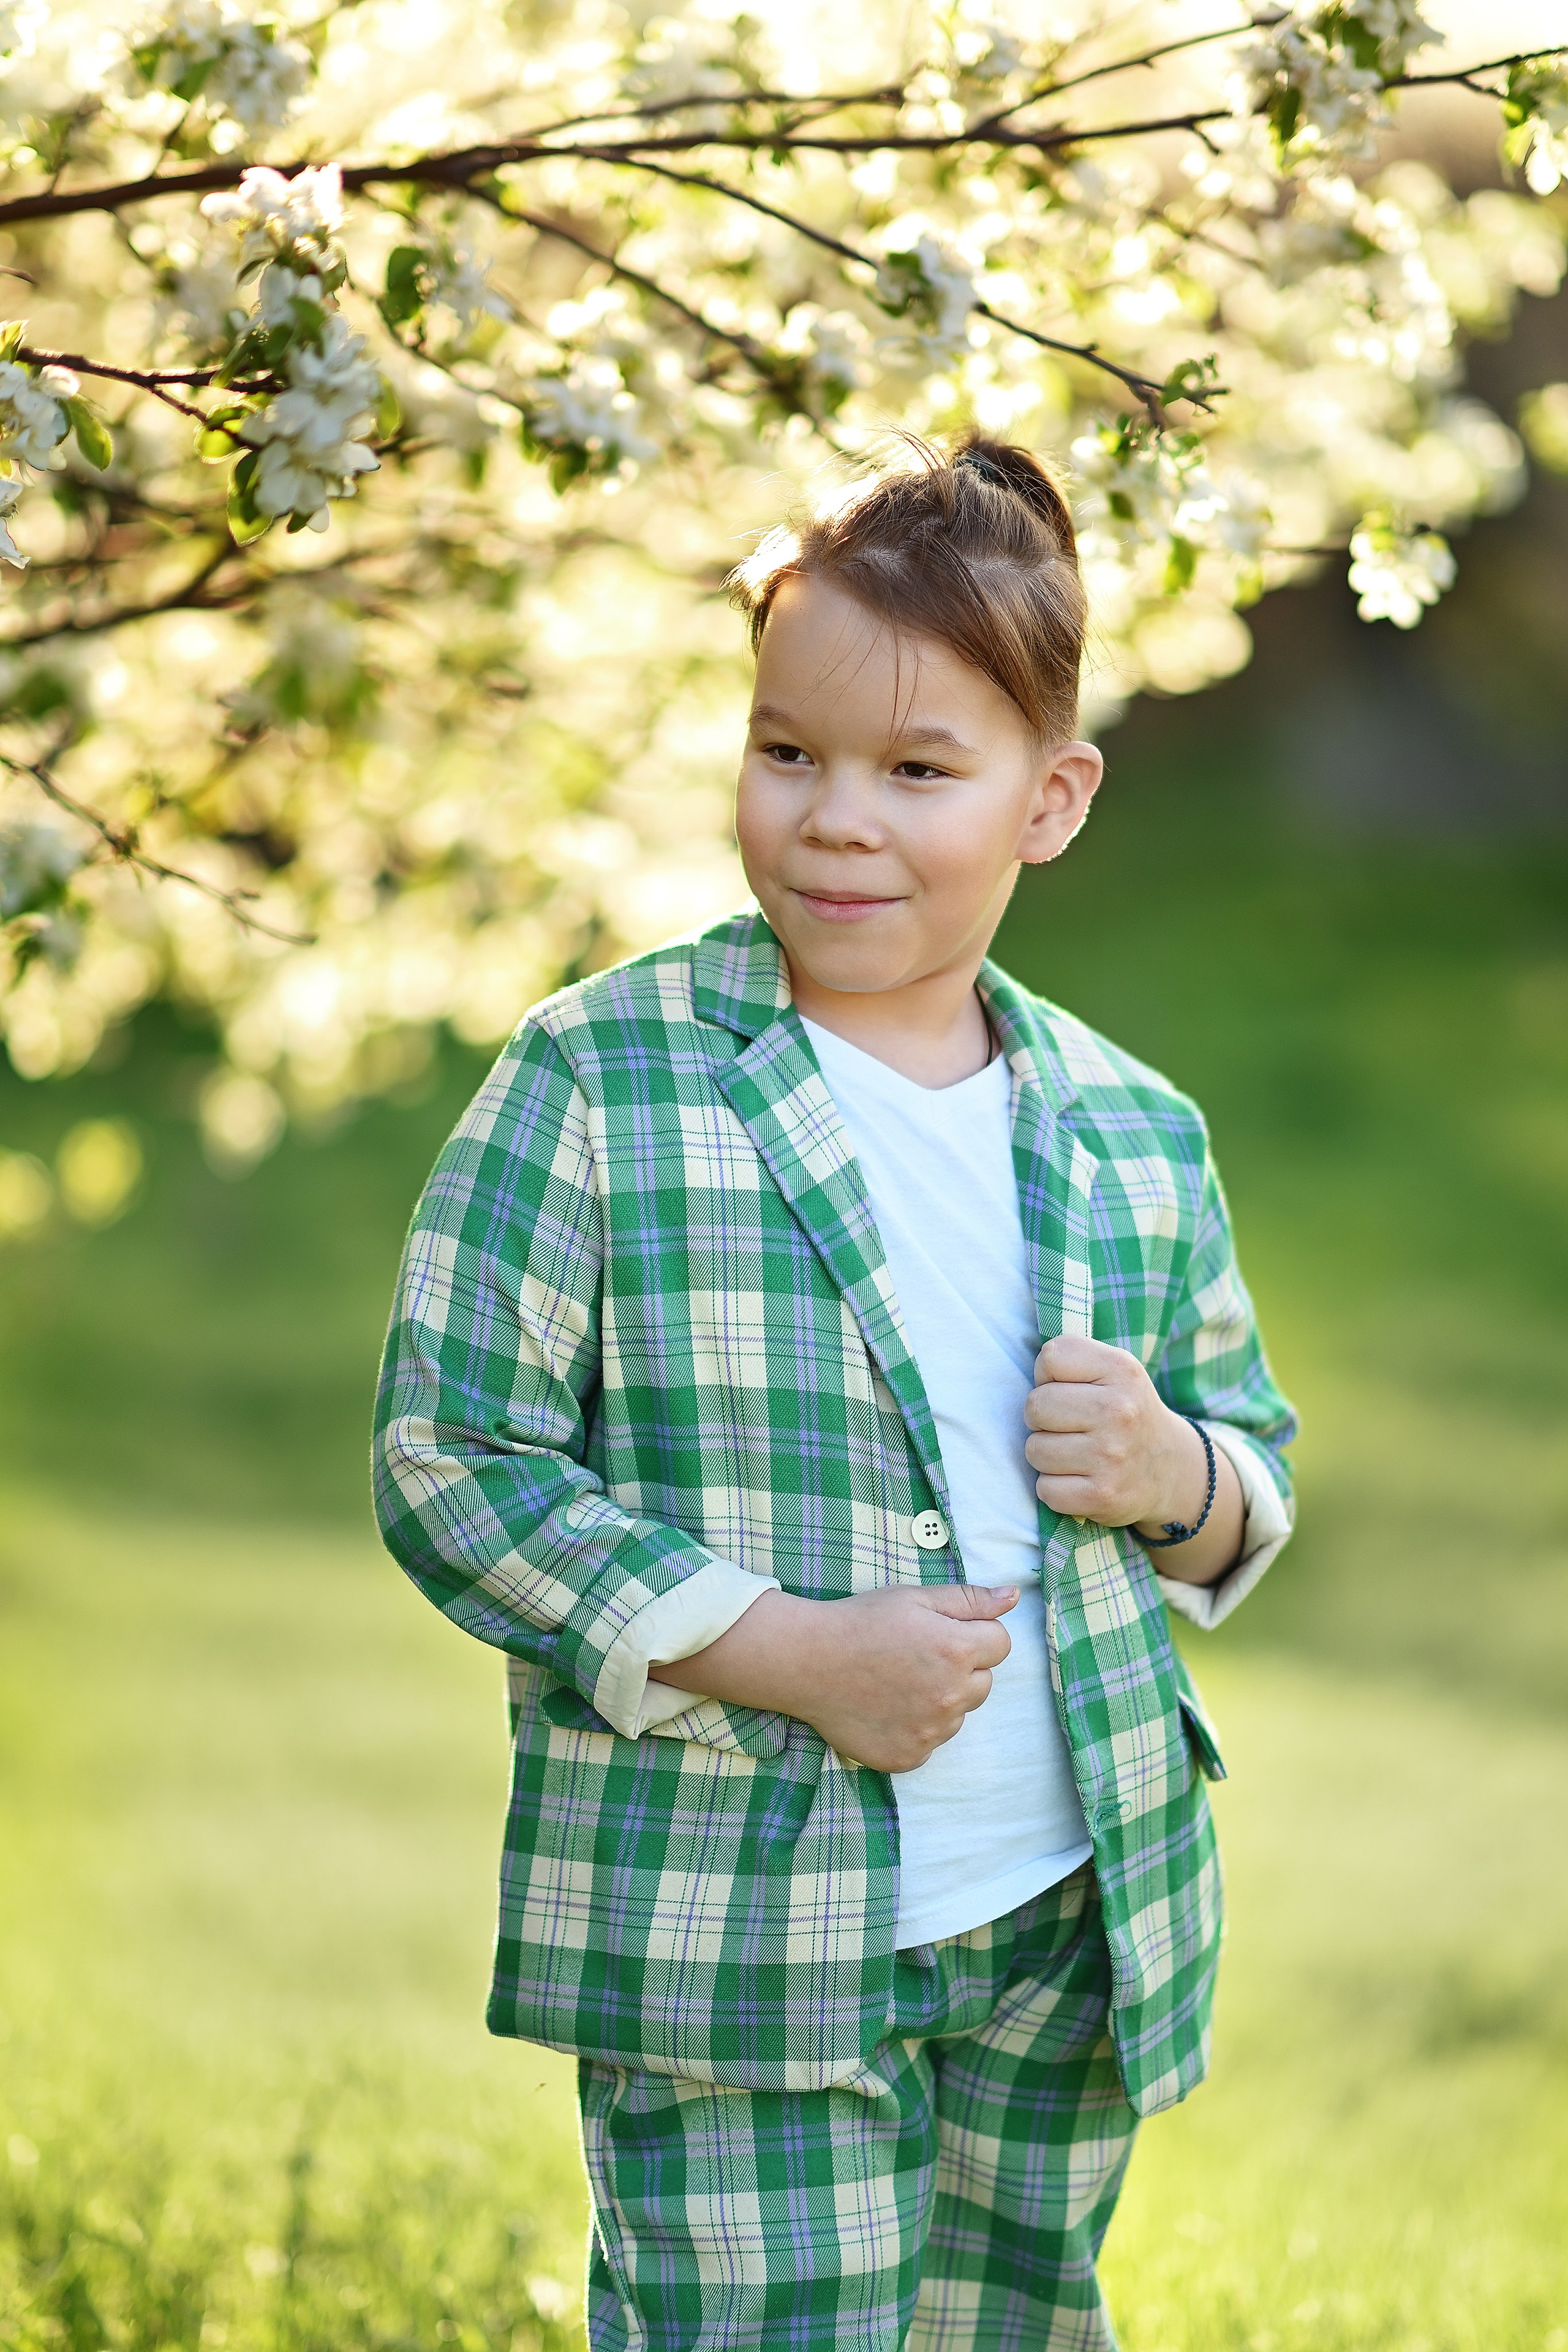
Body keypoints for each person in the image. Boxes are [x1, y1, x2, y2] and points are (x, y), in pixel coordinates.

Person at [373, 434, 1296, 2351]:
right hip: (740, 1918)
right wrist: (786, 1646)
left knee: (1015, 2327)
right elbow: (451, 1458)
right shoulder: (605, 1078)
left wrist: (1172, 1468)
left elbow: (1251, 1476)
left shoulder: (1134, 1130)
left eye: (917, 771)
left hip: (1067, 1906)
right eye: (787, 752)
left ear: (1053, 800)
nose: (836, 821)